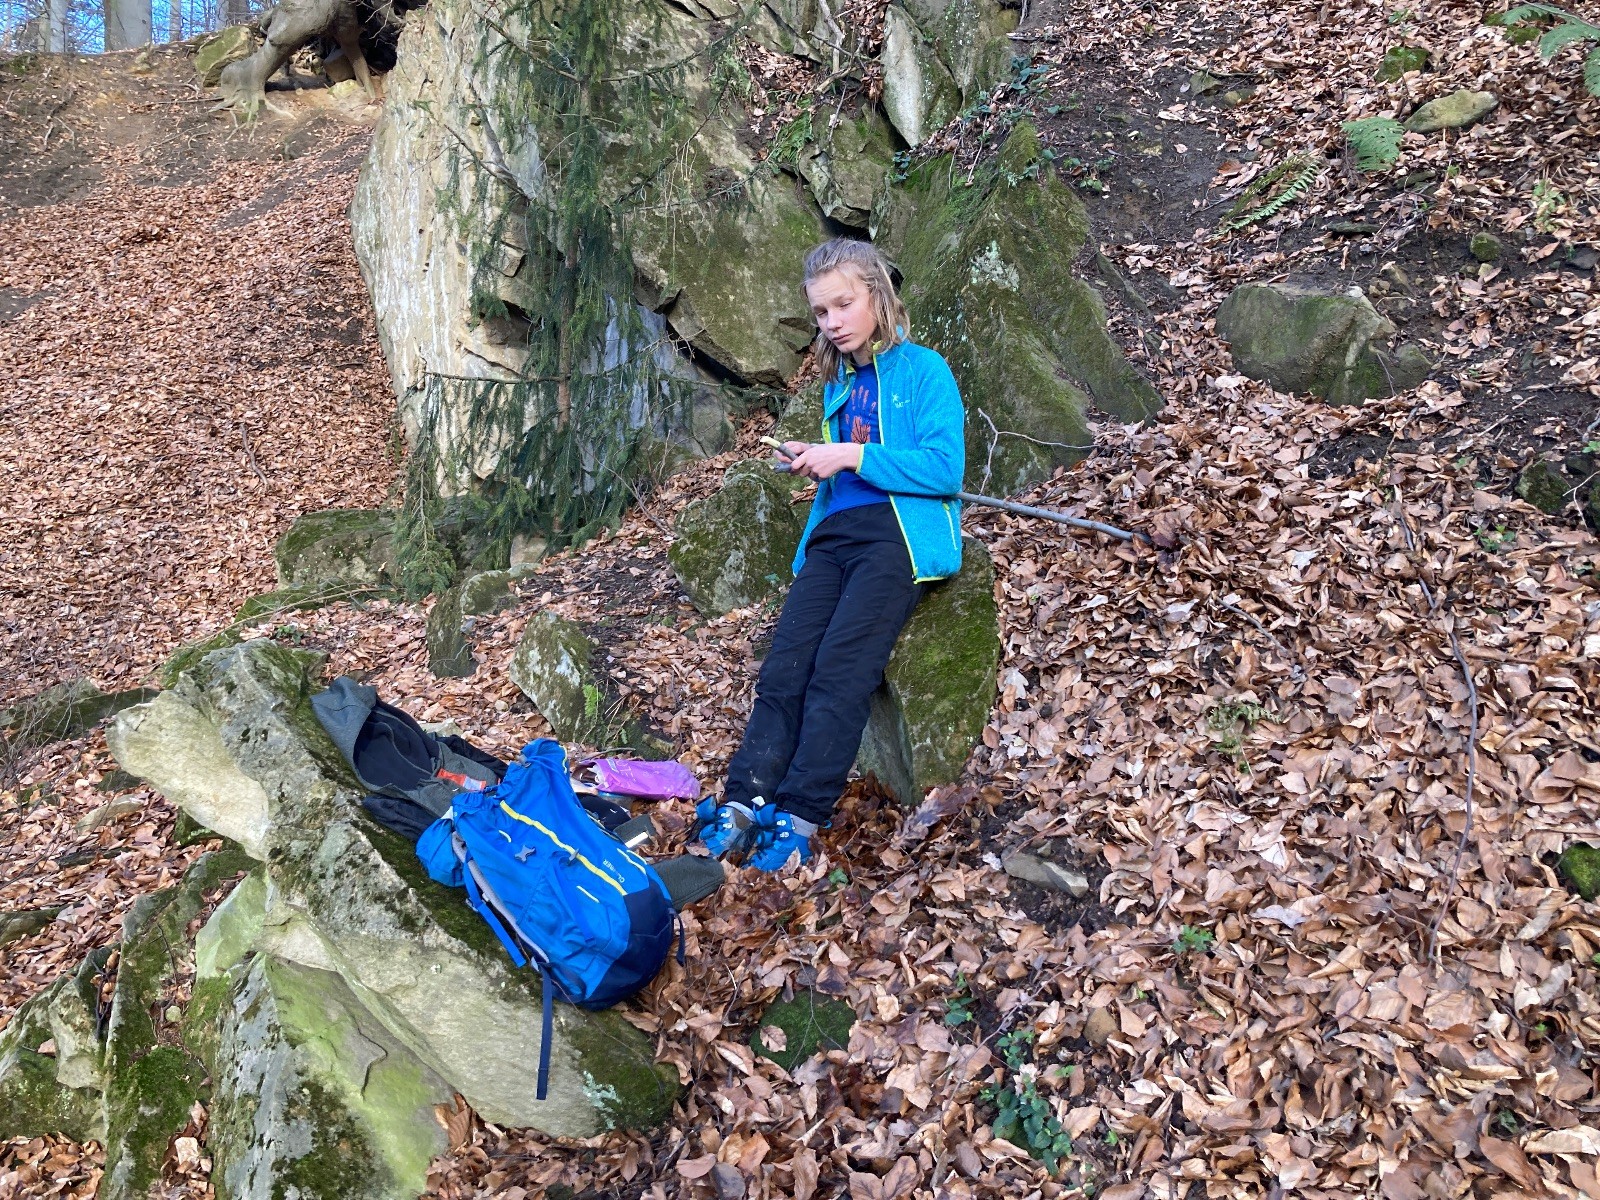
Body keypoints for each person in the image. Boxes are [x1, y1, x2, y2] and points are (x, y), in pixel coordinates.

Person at [695, 237, 967, 872]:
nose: (833, 322)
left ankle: (798, 816)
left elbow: (944, 468)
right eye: (821, 312)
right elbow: (847, 467)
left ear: (877, 295)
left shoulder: (924, 369)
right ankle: (742, 804)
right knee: (783, 670)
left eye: (844, 304)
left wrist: (849, 454)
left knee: (840, 671)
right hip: (831, 536)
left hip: (895, 534)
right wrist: (815, 458)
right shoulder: (838, 385)